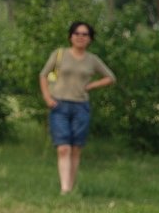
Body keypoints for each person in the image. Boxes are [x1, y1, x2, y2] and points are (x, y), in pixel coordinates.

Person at [38, 21, 116, 195]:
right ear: (70, 36)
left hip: (81, 106)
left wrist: (90, 86)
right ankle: (64, 189)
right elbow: (43, 74)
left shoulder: (92, 60)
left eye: (85, 34)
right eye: (77, 33)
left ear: (90, 39)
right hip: (59, 104)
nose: (80, 37)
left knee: (75, 148)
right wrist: (47, 97)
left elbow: (110, 77)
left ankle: (71, 186)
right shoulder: (59, 54)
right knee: (63, 147)